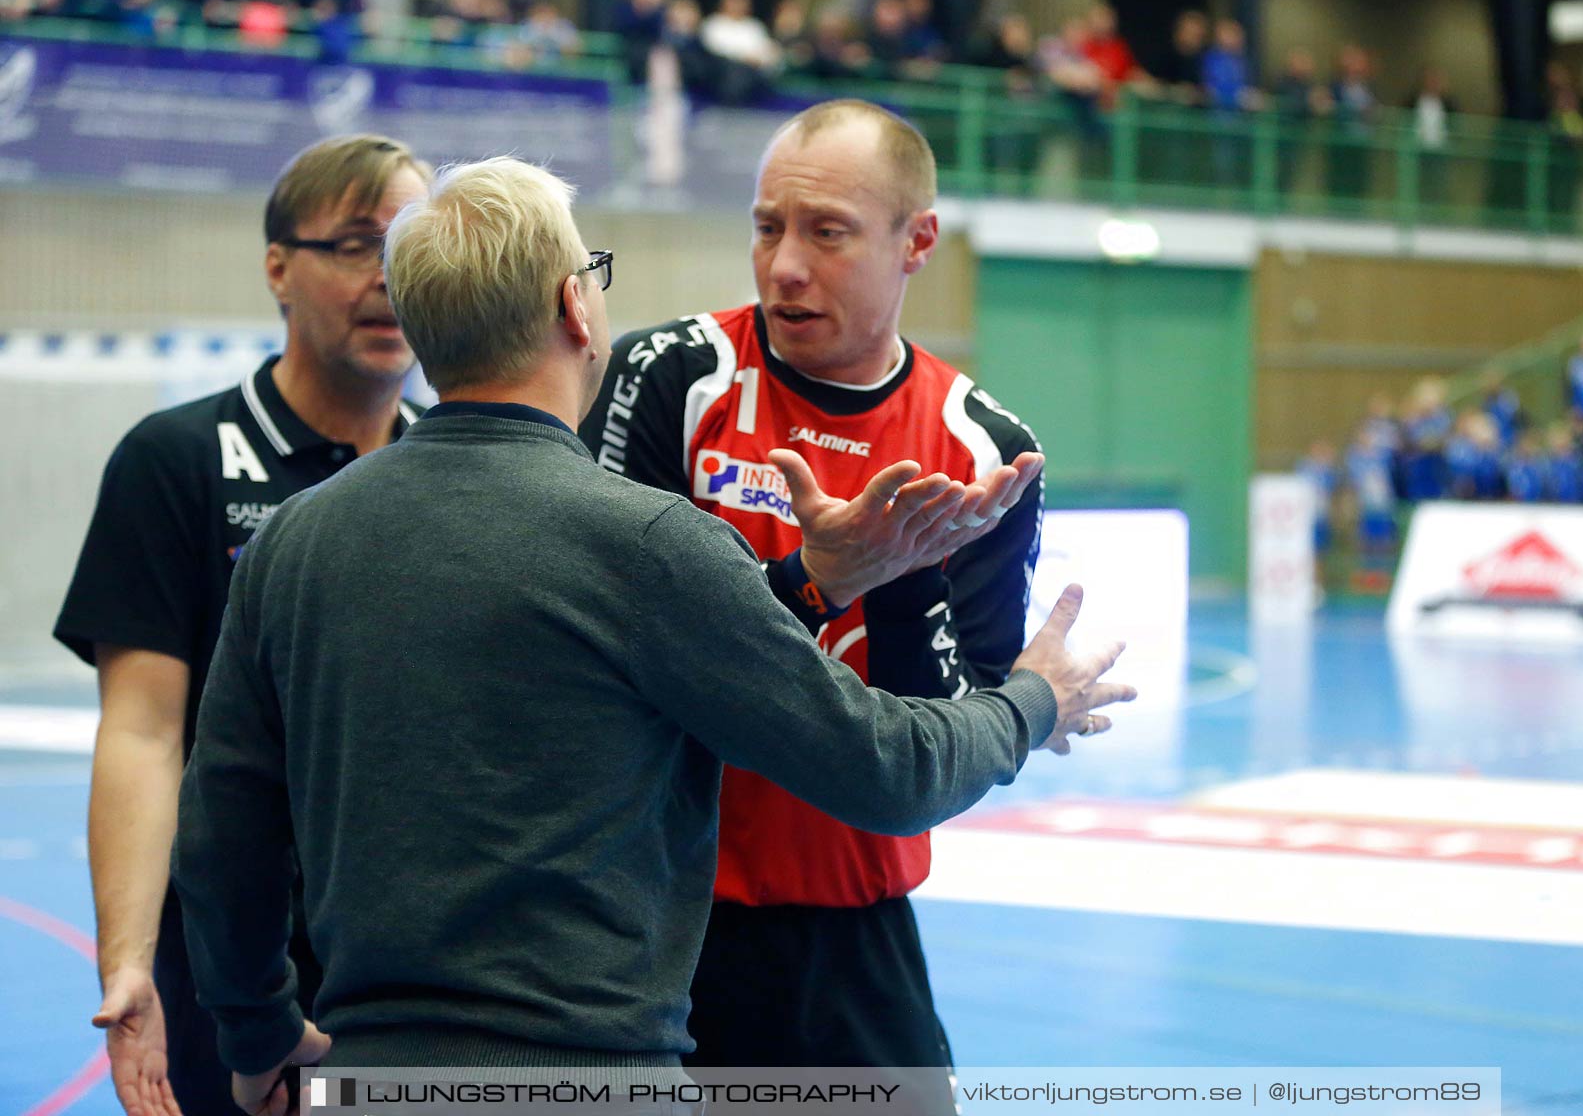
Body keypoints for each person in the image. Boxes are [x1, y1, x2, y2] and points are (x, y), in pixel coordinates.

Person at [169, 156, 1128, 1104]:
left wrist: (255, 1030)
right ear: (574, 310)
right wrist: (1032, 701)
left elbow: (222, 826)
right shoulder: (648, 543)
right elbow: (889, 768)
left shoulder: (294, 541)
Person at [579, 98, 1048, 1084]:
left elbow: (957, 741)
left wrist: (907, 578)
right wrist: (821, 579)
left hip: (855, 937)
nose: (785, 264)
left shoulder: (983, 451)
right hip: (658, 926)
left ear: (916, 241)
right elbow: (622, 660)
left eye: (826, 232)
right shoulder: (670, 378)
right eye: (766, 226)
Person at [54, 134, 433, 1116]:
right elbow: (143, 735)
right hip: (228, 967)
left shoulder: (461, 465)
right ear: (278, 266)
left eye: (411, 245)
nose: (388, 277)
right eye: (356, 244)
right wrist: (128, 962)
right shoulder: (176, 460)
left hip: (427, 962)